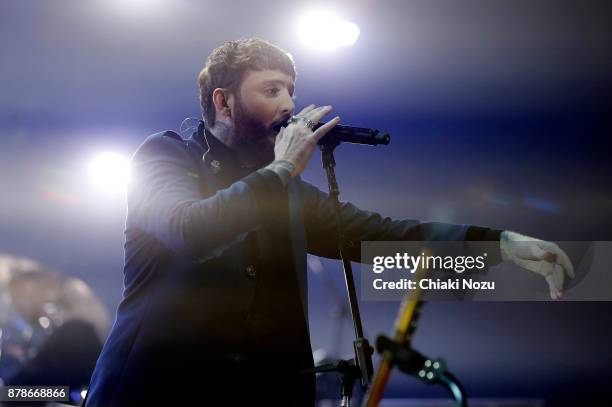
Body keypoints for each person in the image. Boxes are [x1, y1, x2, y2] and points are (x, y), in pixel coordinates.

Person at [83, 38, 574, 406]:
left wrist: (501, 244)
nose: (289, 106)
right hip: (153, 393)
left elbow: (380, 234)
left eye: (291, 91)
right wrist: (280, 171)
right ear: (223, 101)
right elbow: (190, 231)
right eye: (271, 90)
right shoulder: (164, 157)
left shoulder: (286, 190)